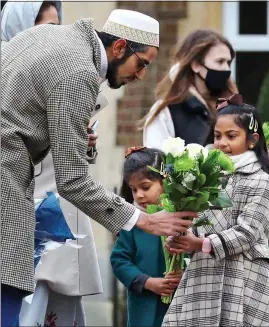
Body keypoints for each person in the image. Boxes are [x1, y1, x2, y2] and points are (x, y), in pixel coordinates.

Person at [1, 8, 194, 326]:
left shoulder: (50, 36)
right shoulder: (79, 73)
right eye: (141, 63)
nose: (140, 76)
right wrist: (140, 220)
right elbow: (72, 179)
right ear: (119, 48)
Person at [1, 2, 105, 325]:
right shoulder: (9, 70)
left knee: (62, 301)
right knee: (27, 299)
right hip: (22, 200)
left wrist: (83, 143)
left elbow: (77, 157)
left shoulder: (71, 69)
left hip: (62, 199)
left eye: (56, 26)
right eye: (42, 26)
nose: (51, 35)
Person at [162, 94, 269, 326]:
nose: (222, 142)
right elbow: (197, 220)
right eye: (218, 135)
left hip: (245, 276)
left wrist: (201, 244)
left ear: (252, 140)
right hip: (204, 275)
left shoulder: (261, 179)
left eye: (231, 136)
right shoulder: (206, 176)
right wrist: (181, 237)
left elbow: (248, 233)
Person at [111, 147, 183, 327]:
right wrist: (148, 282)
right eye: (133, 189)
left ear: (165, 180)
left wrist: (184, 274)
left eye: (145, 187)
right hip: (145, 305)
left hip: (181, 303)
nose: (139, 195)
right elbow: (119, 260)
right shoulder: (134, 221)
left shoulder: (181, 218)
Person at [142, 29, 238, 149]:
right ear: (196, 65)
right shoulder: (166, 112)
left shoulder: (233, 110)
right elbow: (154, 163)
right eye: (220, 61)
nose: (226, 68)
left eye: (228, 62)